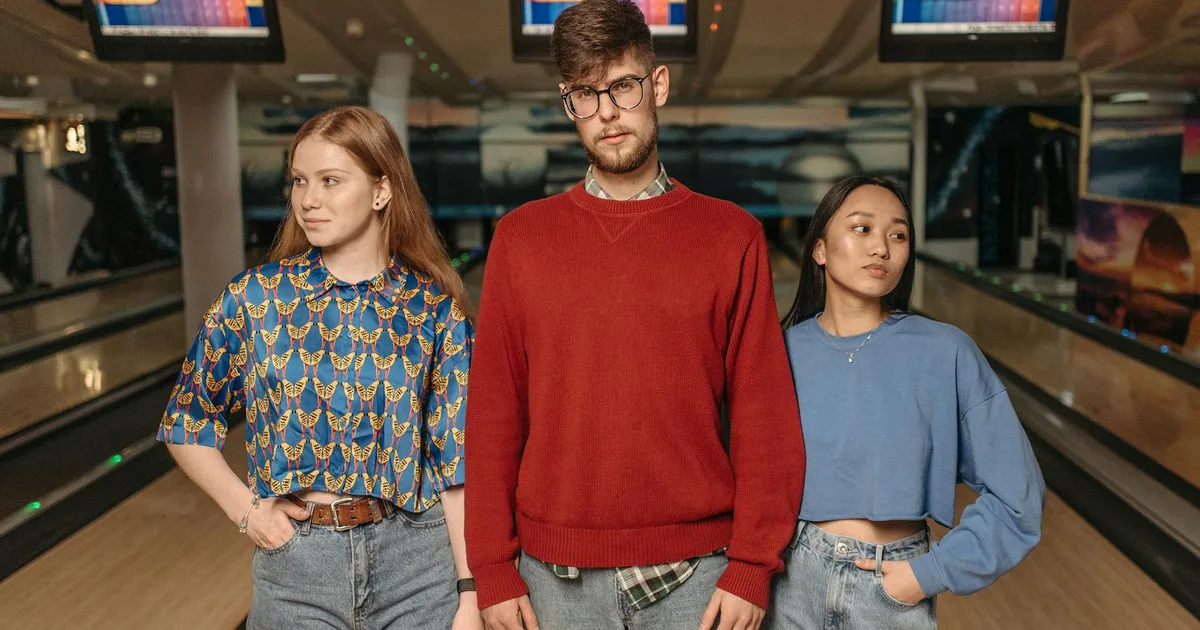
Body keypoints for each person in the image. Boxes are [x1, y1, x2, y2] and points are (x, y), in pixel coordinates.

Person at [464, 1, 805, 629]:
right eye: (585, 95)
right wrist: (491, 567)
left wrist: (753, 564)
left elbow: (765, 415)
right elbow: (492, 415)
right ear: (568, 103)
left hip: (700, 577)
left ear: (659, 85)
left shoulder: (732, 236)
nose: (607, 113)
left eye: (623, 85)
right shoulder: (520, 239)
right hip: (549, 580)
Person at [156, 106, 482, 630]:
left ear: (381, 190)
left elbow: (456, 465)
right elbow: (186, 421)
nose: (308, 199)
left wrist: (469, 591)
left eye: (330, 180)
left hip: (417, 565)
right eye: (300, 181)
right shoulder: (255, 300)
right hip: (298, 567)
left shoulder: (432, 311)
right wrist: (246, 511)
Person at [769, 175, 1046, 629]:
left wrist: (929, 574)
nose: (881, 247)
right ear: (819, 249)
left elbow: (1019, 497)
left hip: (890, 588)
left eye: (898, 236)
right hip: (790, 583)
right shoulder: (778, 353)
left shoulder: (945, 351)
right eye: (862, 228)